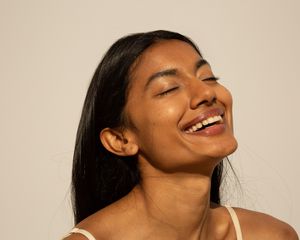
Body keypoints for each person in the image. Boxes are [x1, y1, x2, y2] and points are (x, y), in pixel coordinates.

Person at [62, 30, 298, 240]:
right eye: (169, 88)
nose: (206, 92)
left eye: (208, 78)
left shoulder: (275, 236)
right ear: (120, 140)